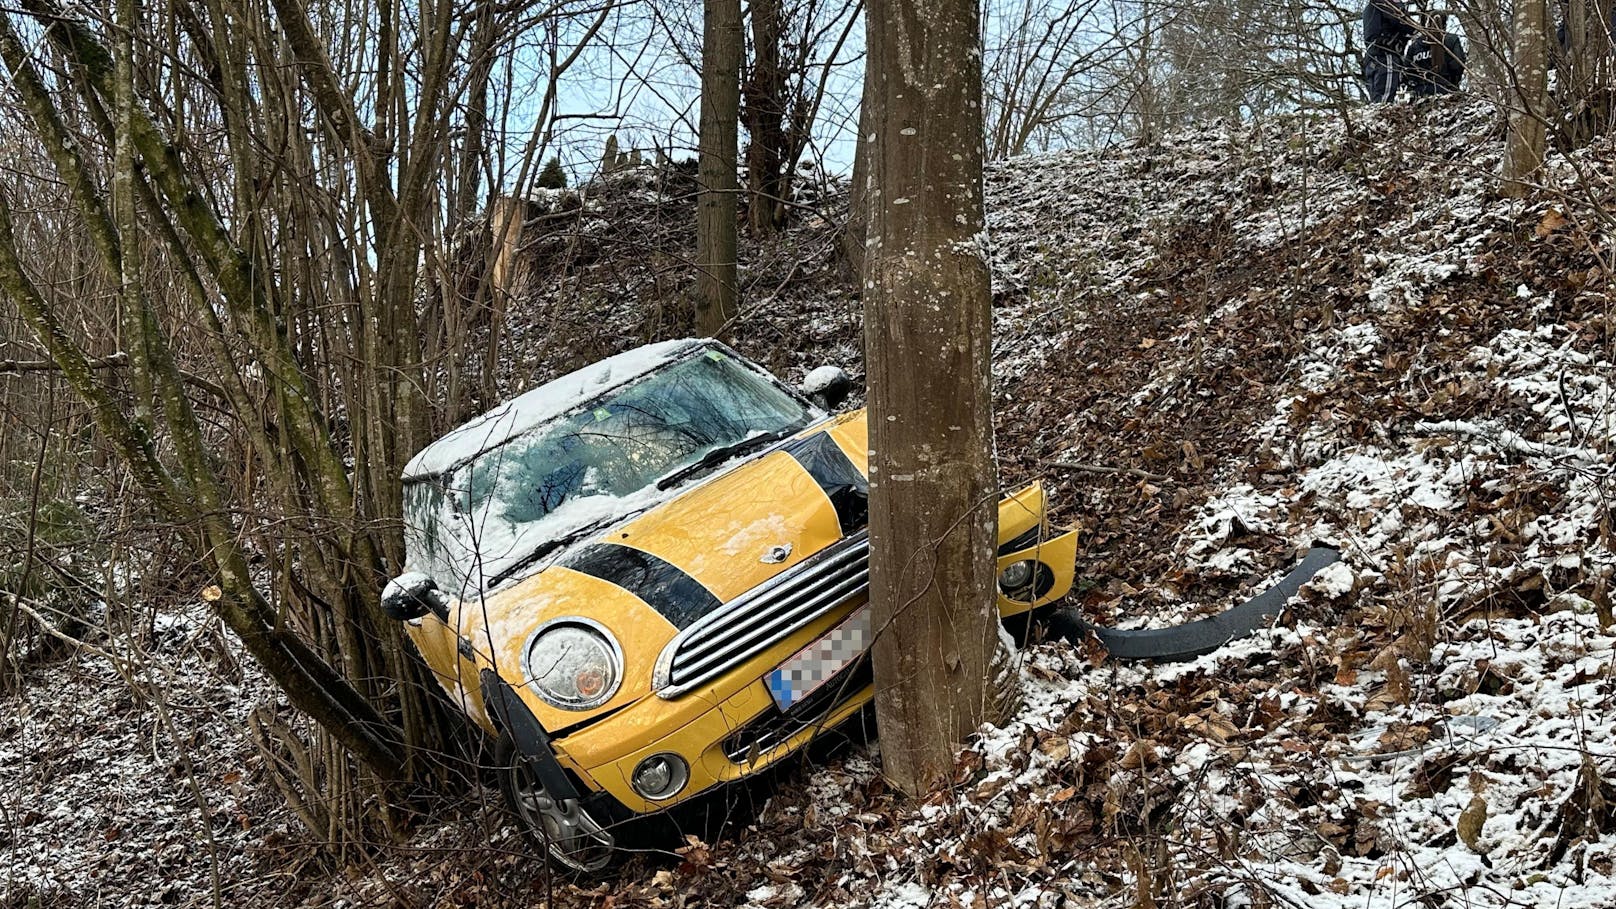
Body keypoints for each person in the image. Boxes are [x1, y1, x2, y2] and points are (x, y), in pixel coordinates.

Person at [1403, 13, 1467, 96]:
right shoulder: (1452, 40)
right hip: (1446, 90)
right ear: (1445, 24)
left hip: (1421, 92)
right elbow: (1457, 65)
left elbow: (1407, 69)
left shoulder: (1415, 45)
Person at [1363, 0, 1415, 102]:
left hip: (1372, 56)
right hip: (1386, 54)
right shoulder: (1384, 4)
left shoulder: (1371, 7)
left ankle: (1376, 115)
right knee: (1385, 97)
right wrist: (1418, 29)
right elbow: (1403, 22)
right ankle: (1381, 115)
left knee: (1376, 96)